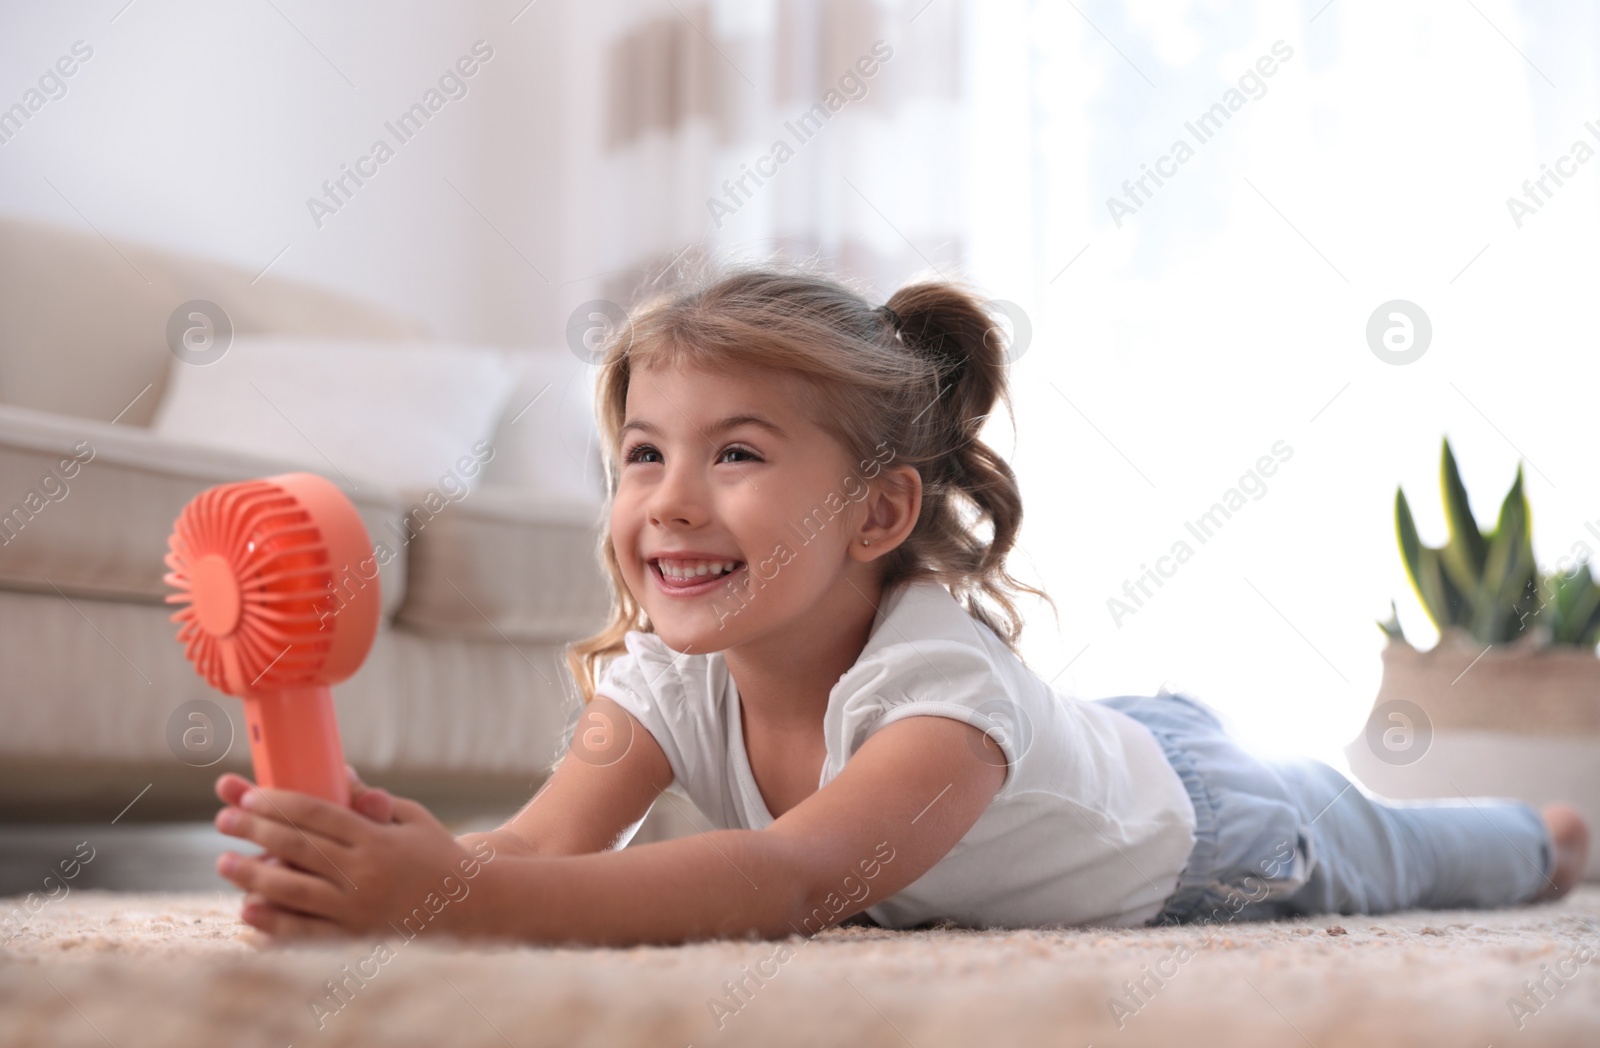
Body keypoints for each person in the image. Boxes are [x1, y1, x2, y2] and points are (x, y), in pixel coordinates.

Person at [212, 266, 1589, 944]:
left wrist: (448, 901)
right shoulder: (661, 677)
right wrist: (399, 858)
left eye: (736, 454)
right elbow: (541, 846)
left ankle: (1540, 831)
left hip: (1207, 829)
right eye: (644, 455)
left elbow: (795, 879)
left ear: (878, 513)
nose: (671, 501)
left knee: (1399, 851)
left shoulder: (934, 689)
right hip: (1077, 748)